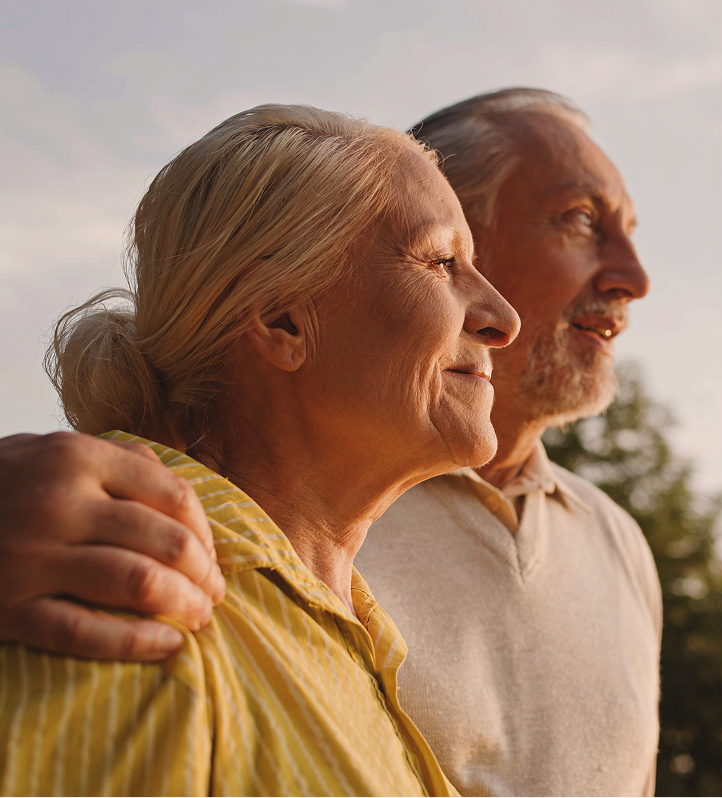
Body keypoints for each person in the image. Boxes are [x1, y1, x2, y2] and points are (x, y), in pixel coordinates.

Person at [0, 89, 661, 798]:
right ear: (282, 318)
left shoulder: (359, 628)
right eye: (443, 259)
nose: (497, 317)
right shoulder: (137, 578)